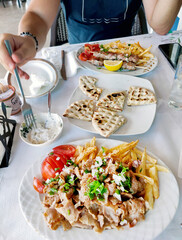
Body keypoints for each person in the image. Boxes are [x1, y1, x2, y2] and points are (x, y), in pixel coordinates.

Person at [0, 0, 181, 79]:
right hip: (80, 64)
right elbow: (37, 14)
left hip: (128, 62)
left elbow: (161, 25)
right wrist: (29, 39)